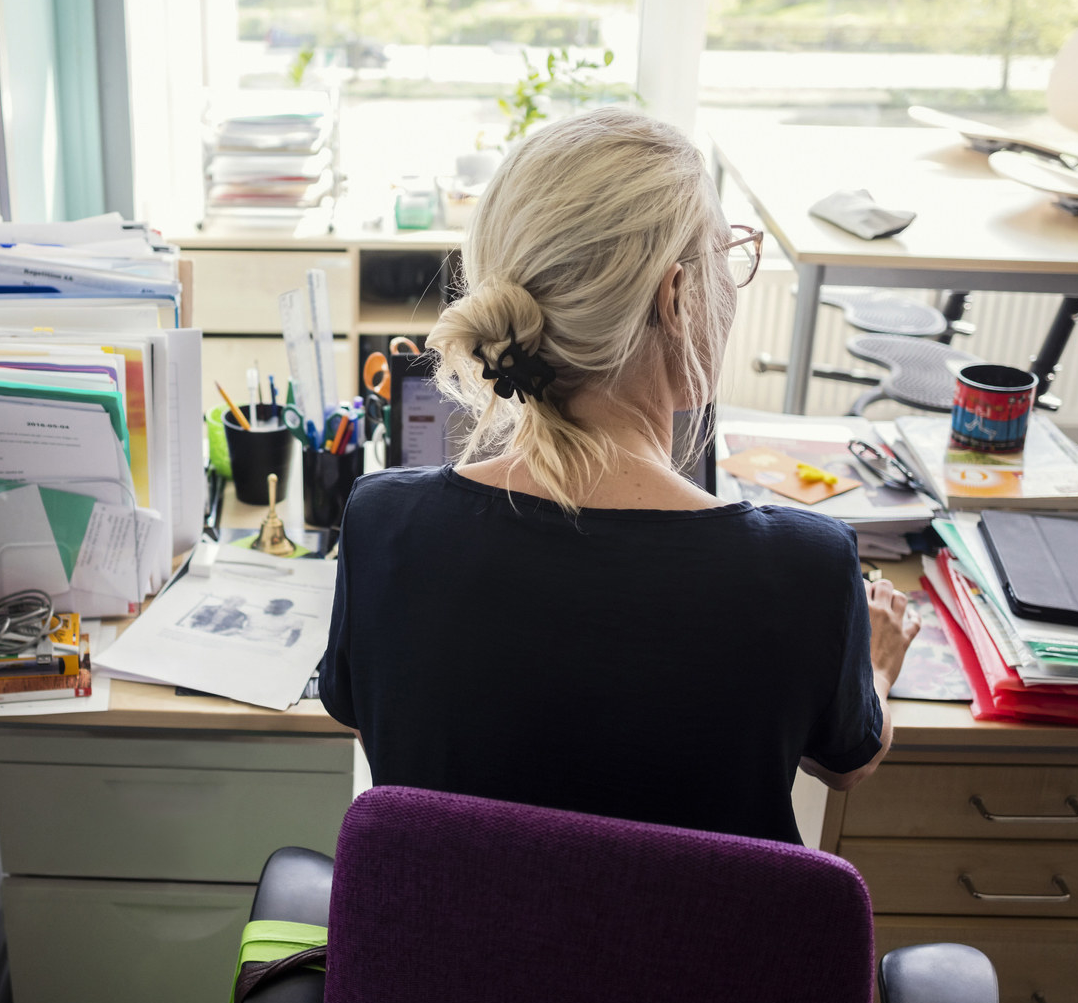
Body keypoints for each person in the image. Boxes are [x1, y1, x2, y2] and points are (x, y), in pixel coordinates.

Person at [319, 106, 919, 845]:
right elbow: (847, 762)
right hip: (699, 964)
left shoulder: (383, 525)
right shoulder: (803, 569)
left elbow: (365, 715)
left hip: (449, 961)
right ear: (675, 296)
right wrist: (878, 666)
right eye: (727, 256)